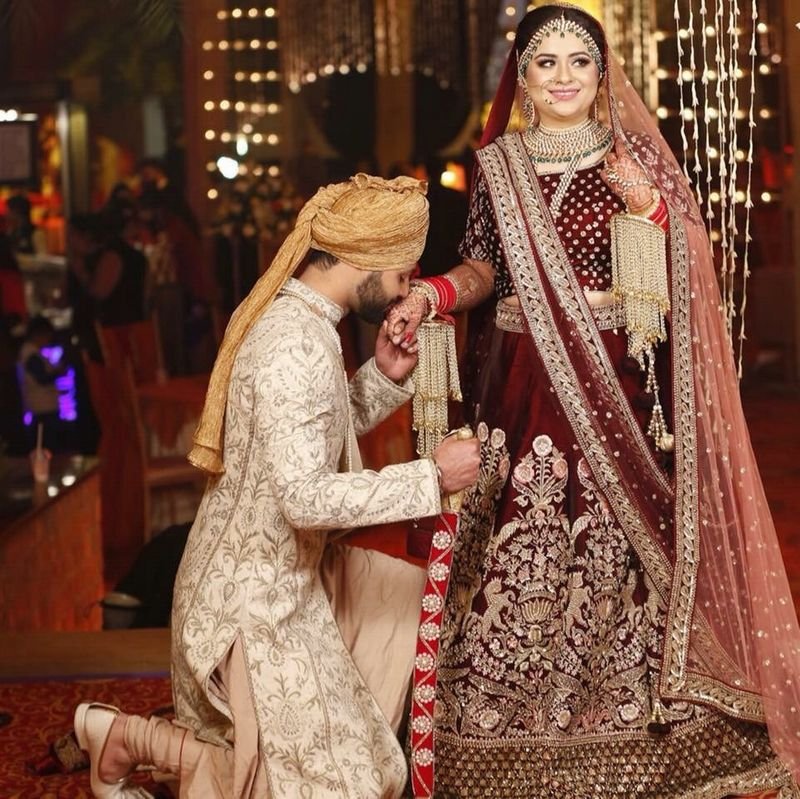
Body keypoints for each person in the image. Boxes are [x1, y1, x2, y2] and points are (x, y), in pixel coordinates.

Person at [387, 4, 800, 796]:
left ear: (602, 72)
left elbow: (689, 267)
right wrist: (434, 293)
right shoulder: (498, 165)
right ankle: (505, 730)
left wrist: (649, 211)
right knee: (517, 544)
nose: (564, 77)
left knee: (615, 544)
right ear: (522, 78)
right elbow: (483, 269)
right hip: (520, 386)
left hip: (615, 382)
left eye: (580, 60)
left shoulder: (629, 158)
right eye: (546, 62)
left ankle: (635, 726)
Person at [73, 173, 481, 798]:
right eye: (404, 271)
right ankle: (129, 738)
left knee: (409, 610)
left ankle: (131, 739)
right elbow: (304, 497)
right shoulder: (295, 344)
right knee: (347, 787)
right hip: (252, 605)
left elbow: (305, 439)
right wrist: (433, 477)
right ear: (362, 255)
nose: (409, 285)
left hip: (286, 581)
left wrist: (382, 376)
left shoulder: (309, 323)